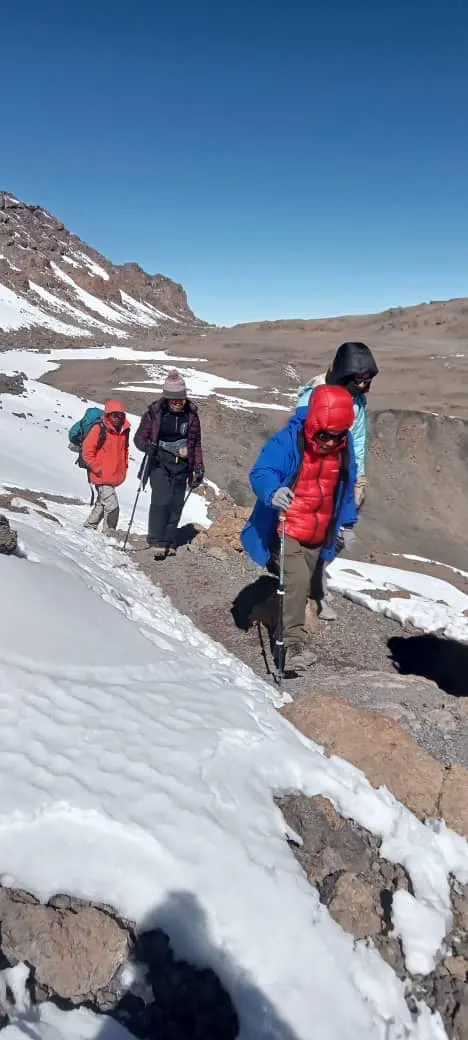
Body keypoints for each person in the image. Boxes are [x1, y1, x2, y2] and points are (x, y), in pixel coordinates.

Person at [241, 384, 357, 675]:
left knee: (303, 584)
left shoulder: (345, 444)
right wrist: (272, 492)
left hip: (320, 531)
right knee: (296, 583)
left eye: (337, 436)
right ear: (315, 424)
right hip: (288, 526)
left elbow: (346, 484)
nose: (331, 443)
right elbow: (262, 471)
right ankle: (292, 646)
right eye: (325, 435)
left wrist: (348, 522)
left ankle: (283, 623)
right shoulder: (289, 440)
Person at [296, 341, 378, 619]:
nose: (365, 387)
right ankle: (309, 594)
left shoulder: (358, 398)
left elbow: (359, 436)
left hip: (348, 475)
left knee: (338, 537)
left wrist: (358, 477)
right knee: (316, 536)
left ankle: (314, 584)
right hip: (318, 477)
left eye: (367, 381)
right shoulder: (314, 395)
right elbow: (302, 437)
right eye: (360, 380)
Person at [134, 370, 204, 559]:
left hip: (182, 465)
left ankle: (170, 541)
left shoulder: (191, 416)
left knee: (176, 503)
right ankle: (157, 540)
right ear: (166, 399)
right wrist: (146, 446)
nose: (177, 404)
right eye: (173, 401)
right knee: (162, 499)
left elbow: (195, 443)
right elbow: (139, 438)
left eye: (180, 400)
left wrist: (199, 468)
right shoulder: (154, 414)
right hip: (158, 462)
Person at [81, 400, 130, 533]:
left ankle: (89, 527)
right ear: (108, 415)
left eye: (120, 415)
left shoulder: (124, 430)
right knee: (112, 506)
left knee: (101, 504)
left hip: (113, 475)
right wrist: (98, 469)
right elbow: (87, 451)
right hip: (101, 476)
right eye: (114, 415)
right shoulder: (99, 428)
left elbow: (124, 452)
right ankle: (109, 534)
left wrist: (124, 468)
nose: (117, 418)